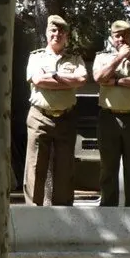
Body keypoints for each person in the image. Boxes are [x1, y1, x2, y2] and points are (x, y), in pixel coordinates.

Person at [24, 15, 87, 206]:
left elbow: (82, 80)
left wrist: (54, 77)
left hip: (66, 117)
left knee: (65, 168)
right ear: (47, 33)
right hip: (39, 117)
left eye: (61, 31)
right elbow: (38, 80)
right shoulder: (36, 57)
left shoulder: (75, 58)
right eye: (53, 30)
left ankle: (62, 213)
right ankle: (33, 212)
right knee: (35, 166)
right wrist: (68, 81)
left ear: (66, 35)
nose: (57, 34)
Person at [92, 20, 130, 207]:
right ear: (111, 38)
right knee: (108, 167)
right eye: (117, 36)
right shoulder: (102, 57)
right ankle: (108, 208)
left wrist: (116, 81)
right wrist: (119, 57)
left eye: (126, 35)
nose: (122, 39)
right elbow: (99, 77)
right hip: (109, 118)